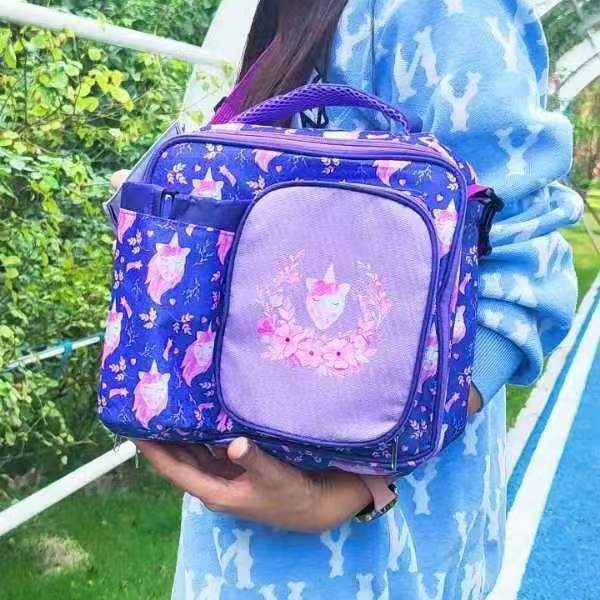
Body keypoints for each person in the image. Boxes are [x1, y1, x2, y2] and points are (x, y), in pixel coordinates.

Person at [117, 1, 583, 598]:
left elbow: (524, 270)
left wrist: (351, 491)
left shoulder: (437, 10)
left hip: (381, 556)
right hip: (248, 533)